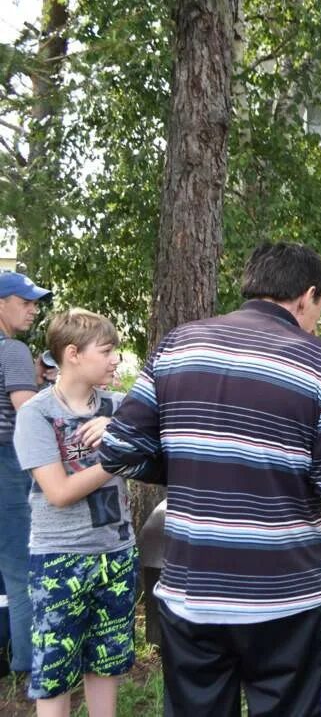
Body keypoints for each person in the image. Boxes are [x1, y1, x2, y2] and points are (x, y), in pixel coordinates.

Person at [99, 242, 321, 716]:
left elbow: (118, 449)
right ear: (306, 296)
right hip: (287, 594)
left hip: (191, 588)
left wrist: (188, 466)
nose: (317, 321)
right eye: (319, 309)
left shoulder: (178, 344)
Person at [14, 309, 134, 716]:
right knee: (55, 672)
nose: (115, 358)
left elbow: (159, 439)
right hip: (60, 558)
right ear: (73, 354)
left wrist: (118, 430)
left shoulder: (119, 407)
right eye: (106, 350)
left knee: (107, 663)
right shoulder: (36, 414)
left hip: (116, 553)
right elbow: (59, 492)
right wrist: (116, 454)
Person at [0, 271, 52, 680]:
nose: (33, 309)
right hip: (7, 466)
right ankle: (29, 667)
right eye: (25, 301)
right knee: (21, 568)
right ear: (1, 303)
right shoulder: (12, 349)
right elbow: (26, 413)